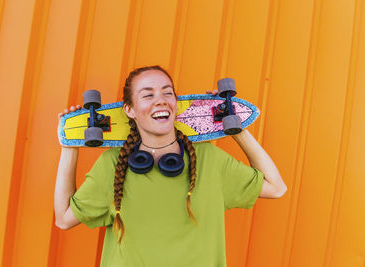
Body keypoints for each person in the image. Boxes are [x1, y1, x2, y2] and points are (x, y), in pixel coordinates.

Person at [55, 65, 287, 266]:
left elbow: (275, 187)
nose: (161, 100)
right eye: (148, 95)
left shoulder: (208, 158)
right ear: (130, 110)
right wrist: (69, 146)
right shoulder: (113, 163)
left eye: (168, 92)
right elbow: (64, 218)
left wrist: (235, 126)